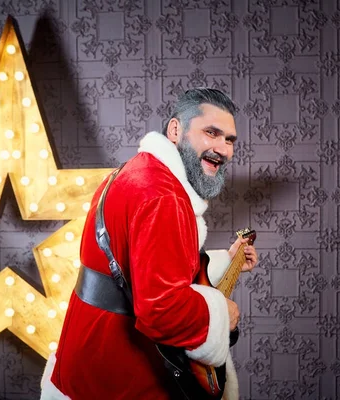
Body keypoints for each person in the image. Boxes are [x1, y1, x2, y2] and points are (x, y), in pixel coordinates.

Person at [40, 88, 258, 400]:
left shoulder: (135, 171)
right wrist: (223, 313)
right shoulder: (162, 196)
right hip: (121, 377)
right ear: (175, 130)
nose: (222, 149)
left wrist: (226, 259)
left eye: (230, 140)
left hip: (85, 364)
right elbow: (162, 309)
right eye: (211, 133)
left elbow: (145, 263)